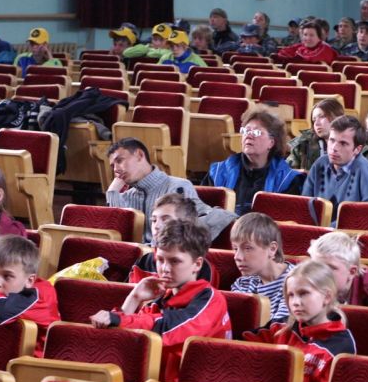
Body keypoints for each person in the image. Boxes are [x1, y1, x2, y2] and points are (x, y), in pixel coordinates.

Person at [91, 219, 230, 382]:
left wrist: (118, 319)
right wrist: (134, 298)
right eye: (160, 260)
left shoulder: (212, 300)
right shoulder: (160, 300)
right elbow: (125, 341)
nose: (164, 269)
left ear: (197, 264)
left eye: (175, 261)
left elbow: (165, 327)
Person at [243, 261, 356, 382]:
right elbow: (242, 350)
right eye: (291, 295)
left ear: (327, 297)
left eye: (303, 293)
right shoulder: (280, 327)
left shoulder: (340, 344)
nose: (295, 302)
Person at [106, 138, 236, 244]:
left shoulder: (178, 186)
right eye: (112, 166)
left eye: (119, 161)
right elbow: (119, 241)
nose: (116, 169)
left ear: (139, 155)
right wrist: (112, 192)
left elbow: (189, 231)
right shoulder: (125, 197)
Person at [203, 109, 304, 216]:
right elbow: (202, 210)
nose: (248, 135)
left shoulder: (287, 180)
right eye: (246, 131)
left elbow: (286, 219)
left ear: (271, 142)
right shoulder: (218, 172)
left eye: (256, 132)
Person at [303, 115, 368, 210]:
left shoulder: (367, 172)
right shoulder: (320, 164)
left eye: (343, 143)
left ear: (357, 149)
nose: (334, 148)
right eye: (332, 140)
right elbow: (304, 206)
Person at [130, 194, 216, 285]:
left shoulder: (202, 268)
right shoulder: (144, 261)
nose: (156, 226)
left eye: (165, 220)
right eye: (154, 220)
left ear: (185, 224)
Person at [307, 231, 368, 310]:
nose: (320, 274)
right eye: (315, 266)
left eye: (329, 268)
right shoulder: (306, 282)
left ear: (351, 272)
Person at [229, 212, 294, 322]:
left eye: (248, 248)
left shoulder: (296, 283)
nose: (237, 257)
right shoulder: (242, 283)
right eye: (235, 249)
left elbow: (281, 328)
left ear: (272, 249)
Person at [288, 99, 345, 170]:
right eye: (314, 120)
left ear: (337, 117)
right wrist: (300, 173)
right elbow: (286, 172)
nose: (317, 123)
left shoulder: (353, 143)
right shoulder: (303, 144)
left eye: (322, 117)